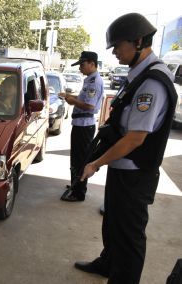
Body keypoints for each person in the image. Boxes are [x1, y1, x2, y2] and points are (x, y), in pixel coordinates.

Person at [74, 13, 177, 283]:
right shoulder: (139, 76)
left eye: (118, 46)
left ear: (139, 41)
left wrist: (96, 163)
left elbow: (135, 138)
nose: (115, 52)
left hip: (135, 172)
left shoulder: (152, 83)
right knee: (112, 224)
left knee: (128, 235)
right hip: (122, 166)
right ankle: (108, 263)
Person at [59, 51, 104, 202]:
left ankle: (79, 193)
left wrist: (71, 100)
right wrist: (71, 97)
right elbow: (83, 99)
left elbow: (89, 106)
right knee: (76, 158)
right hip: (79, 124)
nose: (80, 68)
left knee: (81, 160)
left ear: (92, 64)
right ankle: (75, 184)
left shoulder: (95, 82)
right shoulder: (89, 80)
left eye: (83, 65)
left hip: (85, 126)